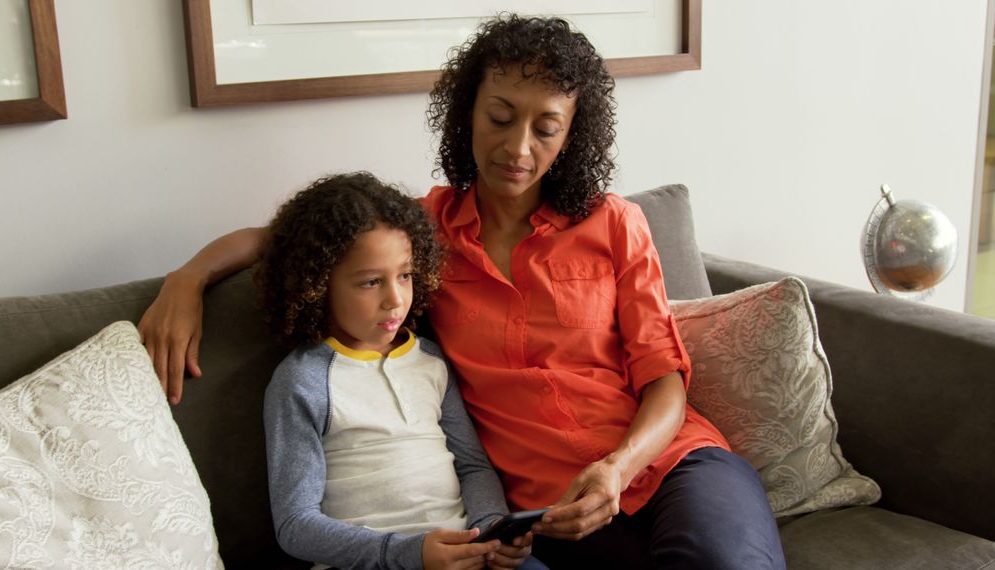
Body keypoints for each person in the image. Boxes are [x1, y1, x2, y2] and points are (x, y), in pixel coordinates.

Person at [139, 15, 786, 569]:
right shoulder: (423, 233)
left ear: (572, 134)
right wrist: (187, 278)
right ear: (467, 111)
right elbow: (287, 233)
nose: (517, 147)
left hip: (671, 465)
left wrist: (618, 468)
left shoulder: (615, 223)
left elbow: (665, 381)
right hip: (546, 510)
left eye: (546, 128)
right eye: (500, 117)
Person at [254, 172, 538, 570]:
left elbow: (472, 466)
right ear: (316, 285)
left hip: (467, 555)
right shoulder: (302, 381)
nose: (395, 299)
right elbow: (296, 524)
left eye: (404, 275)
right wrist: (409, 554)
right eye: (370, 282)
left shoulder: (431, 361)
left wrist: (491, 527)